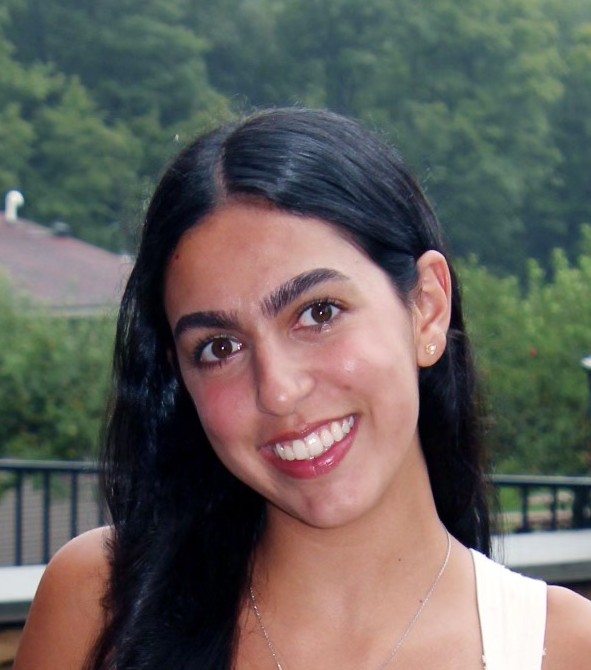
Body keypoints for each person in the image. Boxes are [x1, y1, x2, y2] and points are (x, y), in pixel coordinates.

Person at [14, 108, 591, 670]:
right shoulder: (99, 607)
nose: (279, 390)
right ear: (180, 379)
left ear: (427, 309)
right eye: (220, 348)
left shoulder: (564, 649)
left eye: (319, 313)